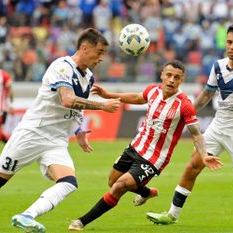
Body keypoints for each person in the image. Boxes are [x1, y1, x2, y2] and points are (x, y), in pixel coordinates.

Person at [0, 28, 121, 233]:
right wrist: (102, 105)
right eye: (99, 52)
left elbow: (76, 106)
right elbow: (68, 99)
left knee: (69, 182)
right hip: (33, 133)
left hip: (56, 140)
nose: (101, 58)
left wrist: (79, 129)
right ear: (84, 47)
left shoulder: (88, 76)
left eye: (104, 54)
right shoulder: (61, 67)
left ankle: (26, 216)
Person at [146, 24, 233, 227]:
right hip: (217, 127)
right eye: (229, 42)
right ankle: (172, 215)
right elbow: (206, 95)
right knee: (192, 167)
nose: (232, 47)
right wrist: (183, 114)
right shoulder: (218, 66)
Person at [68, 60, 223, 231]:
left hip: (154, 158)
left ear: (182, 80)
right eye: (169, 75)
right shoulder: (153, 90)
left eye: (177, 77)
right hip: (135, 146)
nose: (172, 80)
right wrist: (108, 95)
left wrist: (204, 155)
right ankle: (146, 192)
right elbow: (137, 98)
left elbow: (196, 134)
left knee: (119, 186)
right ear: (162, 75)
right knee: (112, 182)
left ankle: (81, 222)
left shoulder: (184, 105)